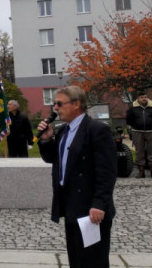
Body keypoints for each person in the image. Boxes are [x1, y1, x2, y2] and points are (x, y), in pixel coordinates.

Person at [37, 86, 117, 268]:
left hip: (90, 209)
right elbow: (53, 159)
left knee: (93, 260)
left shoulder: (97, 130)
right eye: (55, 104)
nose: (55, 108)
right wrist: (47, 140)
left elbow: (107, 172)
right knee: (76, 258)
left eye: (59, 103)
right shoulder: (64, 131)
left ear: (77, 104)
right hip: (70, 205)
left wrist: (99, 203)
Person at [126, 90, 152, 178]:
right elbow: (128, 119)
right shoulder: (132, 107)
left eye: (145, 97)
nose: (144, 99)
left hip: (151, 132)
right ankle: (141, 172)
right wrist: (135, 125)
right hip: (137, 132)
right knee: (139, 152)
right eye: (142, 97)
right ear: (138, 99)